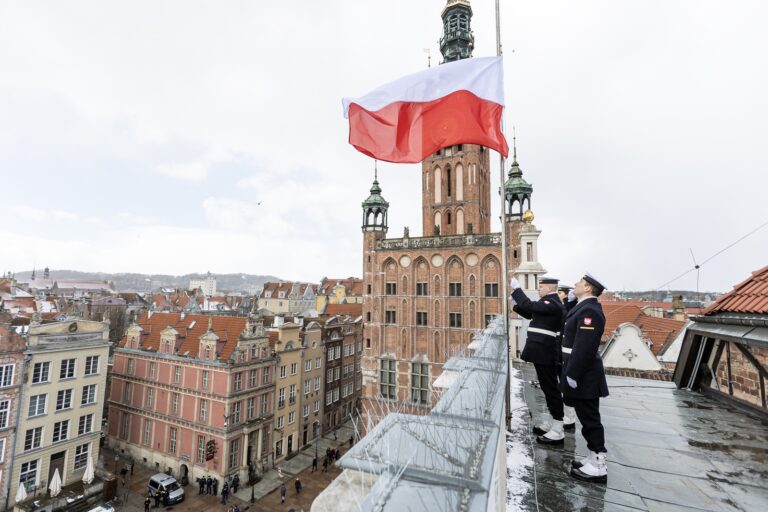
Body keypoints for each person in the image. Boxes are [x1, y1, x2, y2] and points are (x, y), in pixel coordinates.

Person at [510, 275, 574, 445]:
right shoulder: (548, 304)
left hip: (545, 352)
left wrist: (517, 290)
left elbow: (530, 306)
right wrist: (516, 305)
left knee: (551, 389)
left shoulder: (551, 303)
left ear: (550, 288)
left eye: (541, 286)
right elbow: (531, 313)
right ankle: (554, 422)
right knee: (548, 388)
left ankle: (558, 429)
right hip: (541, 352)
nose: (539, 289)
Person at [561, 273, 609, 483]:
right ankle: (592, 456)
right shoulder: (583, 307)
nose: (575, 284)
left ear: (588, 288)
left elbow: (584, 347)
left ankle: (599, 464)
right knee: (586, 417)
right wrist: (570, 302)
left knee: (591, 420)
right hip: (581, 373)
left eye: (579, 283)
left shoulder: (590, 310)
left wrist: (573, 373)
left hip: (584, 375)